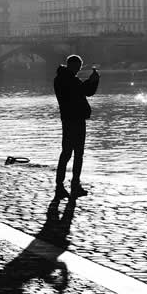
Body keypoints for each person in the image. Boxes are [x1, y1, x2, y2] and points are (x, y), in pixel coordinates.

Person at [54, 54, 100, 199]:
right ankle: (74, 185)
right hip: (76, 119)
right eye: (78, 67)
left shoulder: (60, 79)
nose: (79, 70)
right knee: (77, 153)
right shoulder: (69, 80)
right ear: (72, 65)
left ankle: (61, 184)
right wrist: (93, 81)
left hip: (68, 119)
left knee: (66, 152)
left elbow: (83, 90)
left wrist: (91, 82)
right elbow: (84, 91)